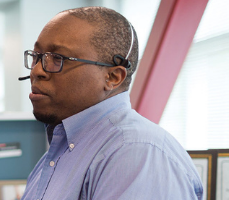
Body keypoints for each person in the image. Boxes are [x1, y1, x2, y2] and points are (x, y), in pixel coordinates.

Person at [20, 7, 203, 200]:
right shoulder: (59, 153)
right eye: (37, 56)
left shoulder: (134, 153)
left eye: (58, 58)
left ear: (113, 77)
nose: (36, 71)